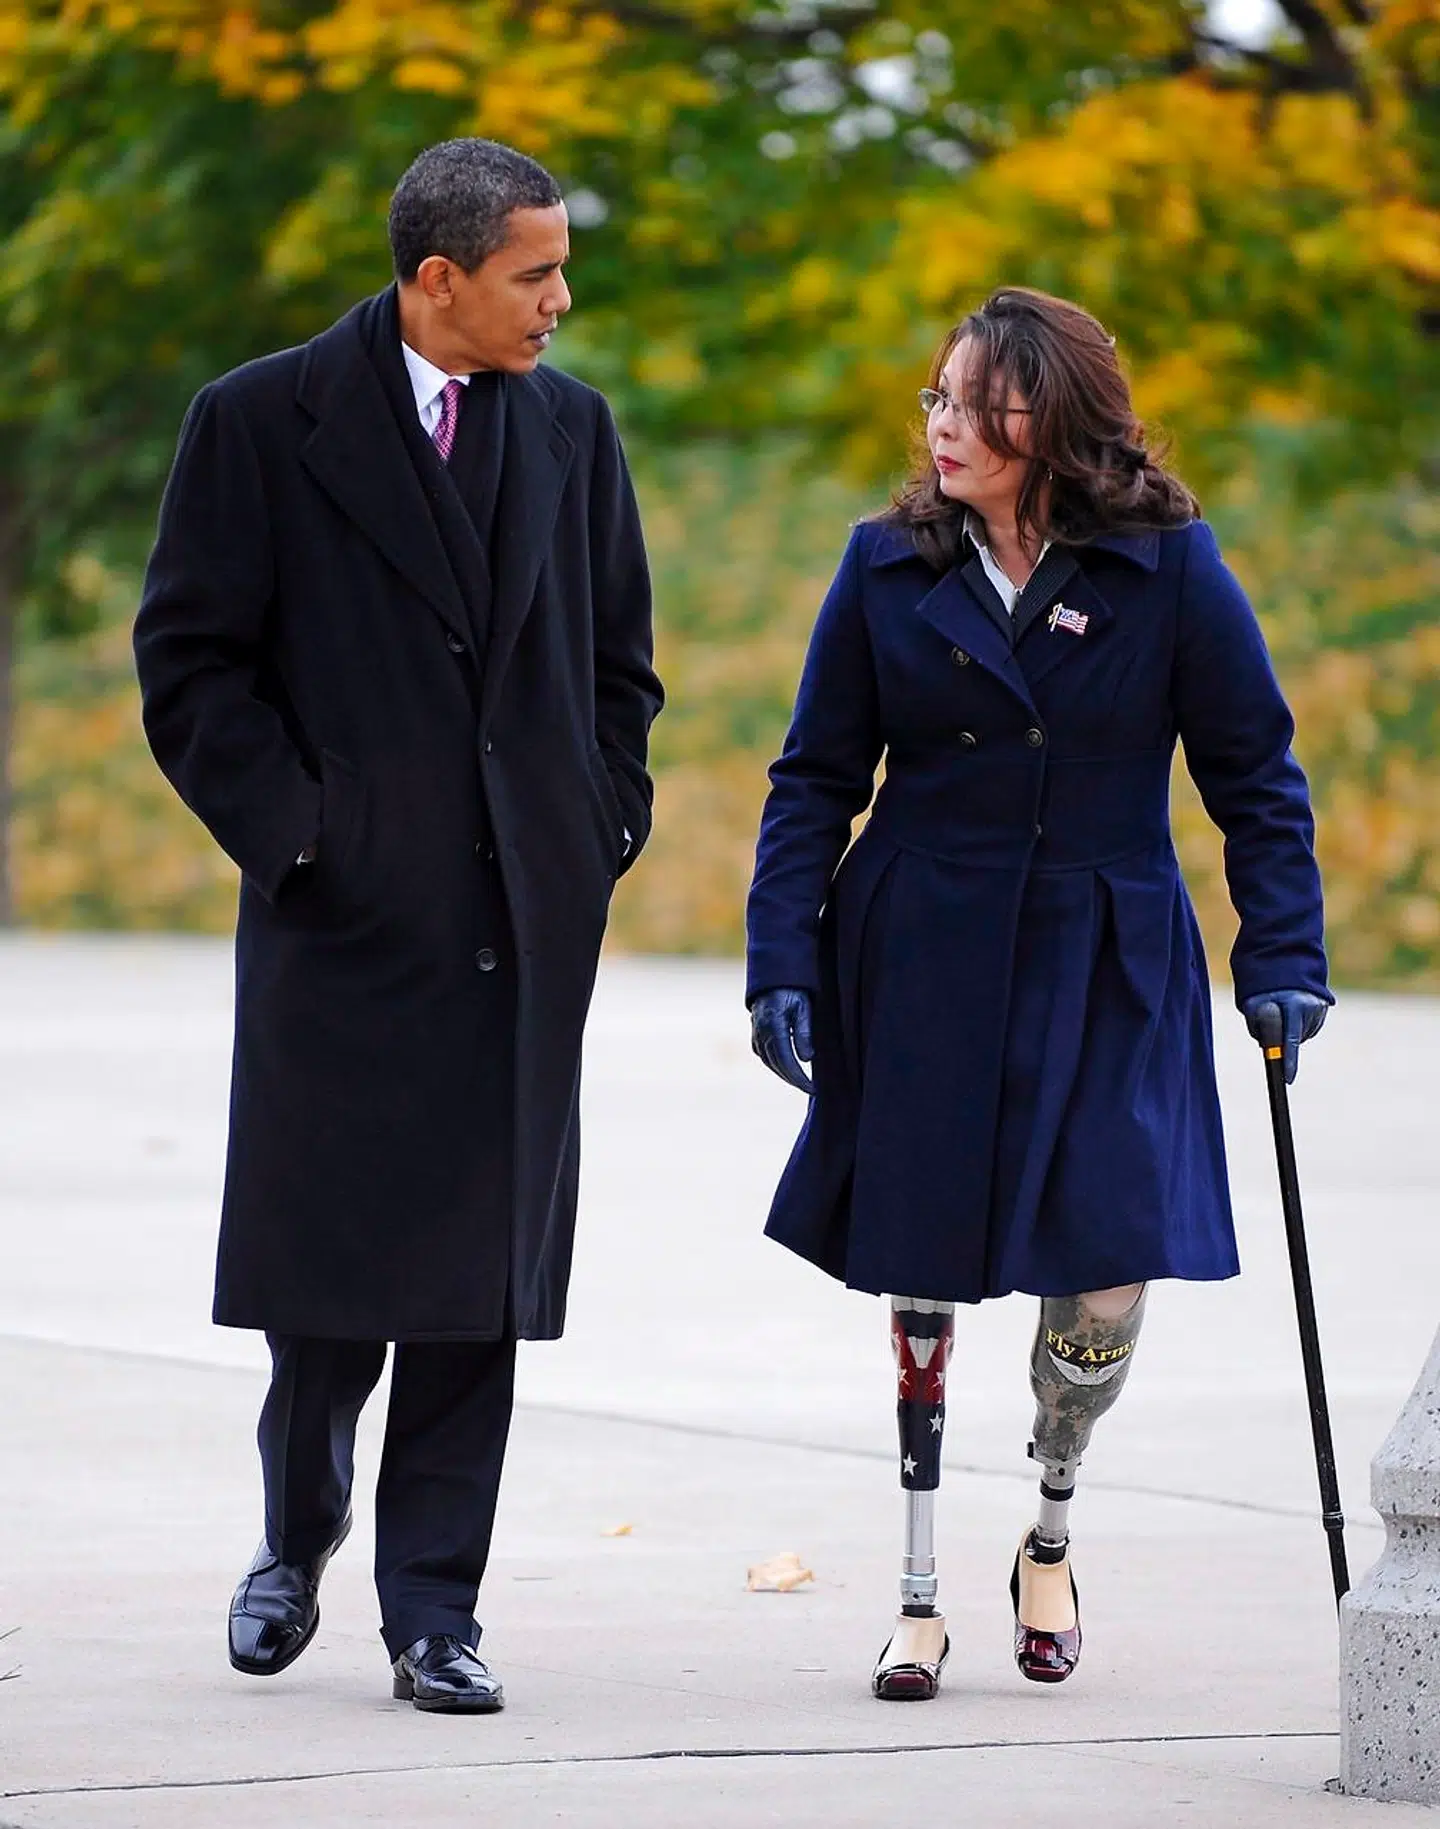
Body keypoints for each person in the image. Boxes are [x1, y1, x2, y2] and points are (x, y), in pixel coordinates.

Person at [134, 138, 662, 1713]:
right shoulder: (256, 420)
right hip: (345, 929)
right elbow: (191, 670)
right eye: (535, 273)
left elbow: (619, 668)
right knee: (330, 1285)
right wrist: (305, 841)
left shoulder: (574, 430)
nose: (563, 299)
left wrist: (598, 827)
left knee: (476, 1293)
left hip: (523, 926)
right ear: (439, 280)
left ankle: (435, 1608)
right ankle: (296, 1534)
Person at [745, 287, 1329, 1700]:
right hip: (923, 942)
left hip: (1109, 941)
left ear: (1055, 418)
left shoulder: (1168, 569)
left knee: (1110, 1259)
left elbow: (1254, 775)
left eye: (976, 403)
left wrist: (1284, 959)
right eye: (936, 398)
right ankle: (920, 1583)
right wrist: (782, 961)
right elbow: (815, 778)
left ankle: (1052, 1521)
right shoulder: (885, 562)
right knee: (925, 1257)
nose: (945, 426)